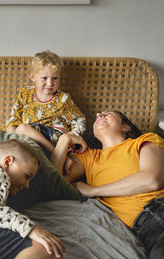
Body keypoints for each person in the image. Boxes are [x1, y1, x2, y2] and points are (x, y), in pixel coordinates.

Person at [50, 110, 164, 259]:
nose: (99, 116)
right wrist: (64, 141)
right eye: (97, 116)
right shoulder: (89, 157)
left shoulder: (144, 140)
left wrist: (94, 190)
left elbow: (152, 179)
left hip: (159, 208)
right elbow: (52, 184)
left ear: (126, 127)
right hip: (141, 230)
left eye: (107, 113)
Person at [4, 50, 85, 170]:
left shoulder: (63, 99)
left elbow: (78, 119)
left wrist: (74, 134)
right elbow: (14, 117)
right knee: (13, 136)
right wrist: (11, 136)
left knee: (22, 128)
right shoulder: (25, 93)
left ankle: (56, 155)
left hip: (55, 138)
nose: (50, 83)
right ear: (32, 76)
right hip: (32, 138)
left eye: (55, 78)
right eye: (44, 78)